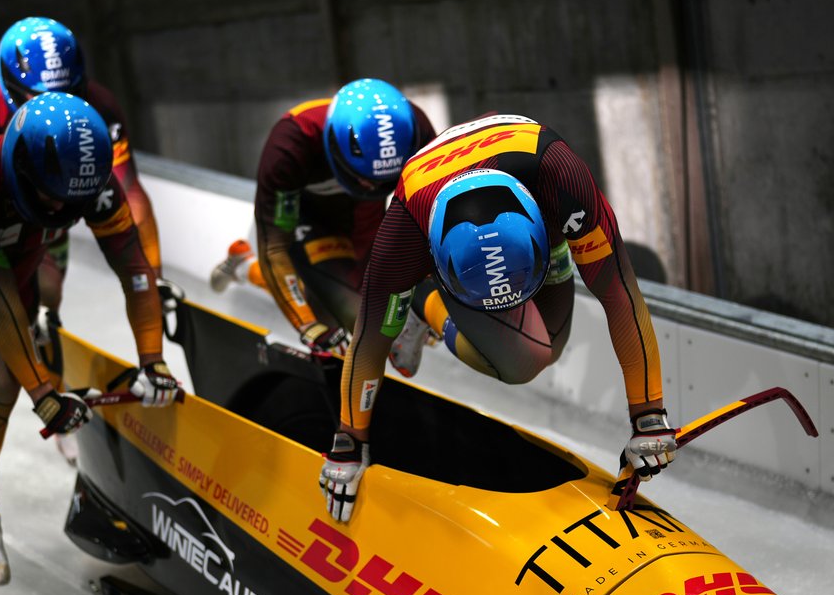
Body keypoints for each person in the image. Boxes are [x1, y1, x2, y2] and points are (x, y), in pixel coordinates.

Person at [0, 92, 181, 585]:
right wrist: (43, 394)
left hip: (7, 290)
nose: (63, 208)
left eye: (74, 200)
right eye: (52, 196)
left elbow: (135, 272)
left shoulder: (92, 186)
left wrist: (154, 360)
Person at [318, 114, 677, 522]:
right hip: (454, 242)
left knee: (551, 346)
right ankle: (425, 301)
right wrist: (348, 443)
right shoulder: (404, 234)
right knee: (525, 361)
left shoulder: (566, 184)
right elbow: (371, 340)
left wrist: (649, 416)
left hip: (537, 200)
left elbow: (620, 294)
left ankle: (486, 287)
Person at [0, 16, 162, 462]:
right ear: (12, 90)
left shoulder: (99, 105)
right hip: (5, 223)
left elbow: (127, 189)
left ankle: (55, 391)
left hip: (54, 213)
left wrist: (150, 276)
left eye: (71, 95)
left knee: (47, 306)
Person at [209, 78, 437, 368]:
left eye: (382, 181)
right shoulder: (291, 144)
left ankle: (242, 262)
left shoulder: (417, 131)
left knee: (374, 303)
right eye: (365, 178)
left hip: (364, 213)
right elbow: (275, 247)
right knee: (341, 314)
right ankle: (248, 267)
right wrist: (307, 325)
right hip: (307, 215)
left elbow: (428, 215)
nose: (371, 185)